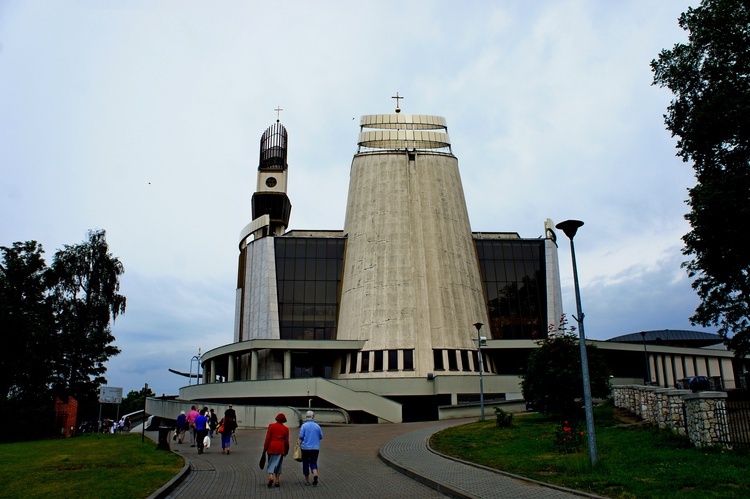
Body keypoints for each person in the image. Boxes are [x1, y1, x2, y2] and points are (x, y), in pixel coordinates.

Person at [263, 413, 289, 488]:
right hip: (281, 447)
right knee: (279, 464)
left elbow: (268, 438)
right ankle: (277, 480)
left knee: (270, 462)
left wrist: (265, 448)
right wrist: (286, 450)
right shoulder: (286, 429)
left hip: (272, 446)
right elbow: (286, 442)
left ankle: (271, 476)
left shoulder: (271, 426)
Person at [299, 410, 323, 486]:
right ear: (313, 417)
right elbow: (321, 436)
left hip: (305, 448)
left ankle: (307, 480)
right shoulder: (317, 426)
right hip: (315, 448)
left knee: (305, 463)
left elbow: (301, 436)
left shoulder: (304, 426)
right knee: (313, 462)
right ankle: (315, 474)